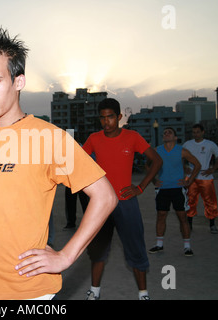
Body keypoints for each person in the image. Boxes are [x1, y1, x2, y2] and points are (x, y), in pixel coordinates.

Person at [0, 27, 117, 300]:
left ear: (19, 81)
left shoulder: (49, 138)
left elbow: (105, 197)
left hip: (29, 290)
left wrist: (66, 256)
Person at [82, 98, 163, 300]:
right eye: (102, 118)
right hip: (102, 204)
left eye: (110, 117)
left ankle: (143, 294)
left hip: (126, 203)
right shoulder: (94, 138)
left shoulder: (132, 137)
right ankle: (95, 292)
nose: (106, 122)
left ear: (119, 117)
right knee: (98, 251)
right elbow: (79, 164)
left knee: (136, 249)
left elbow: (156, 160)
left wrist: (141, 187)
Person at [148, 127, 201, 256]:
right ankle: (159, 244)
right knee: (161, 215)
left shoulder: (182, 151)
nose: (166, 134)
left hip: (178, 188)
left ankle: (187, 246)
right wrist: (154, 181)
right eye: (164, 133)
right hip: (162, 189)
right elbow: (147, 165)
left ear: (175, 137)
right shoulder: (157, 150)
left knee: (182, 217)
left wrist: (189, 181)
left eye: (169, 132)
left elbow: (197, 165)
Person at [183, 124, 218, 234]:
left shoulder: (210, 144)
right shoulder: (188, 144)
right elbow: (179, 157)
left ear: (203, 132)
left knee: (210, 201)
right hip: (191, 176)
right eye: (193, 132)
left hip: (205, 177)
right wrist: (184, 167)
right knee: (189, 201)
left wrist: (213, 169)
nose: (195, 134)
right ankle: (189, 225)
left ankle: (212, 224)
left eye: (197, 132)